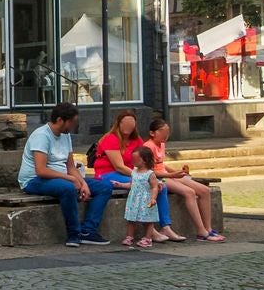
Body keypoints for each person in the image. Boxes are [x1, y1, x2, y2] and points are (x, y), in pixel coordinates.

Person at [19, 102, 112, 247]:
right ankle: (73, 234)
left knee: (105, 186)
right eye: (72, 122)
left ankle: (87, 231)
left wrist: (83, 183)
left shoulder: (65, 135)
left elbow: (70, 166)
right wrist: (71, 179)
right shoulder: (41, 136)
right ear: (60, 120)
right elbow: (41, 170)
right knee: (68, 188)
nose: (73, 126)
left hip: (62, 177)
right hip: (34, 180)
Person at [92, 109, 176, 240]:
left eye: (131, 125)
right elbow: (119, 166)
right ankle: (151, 230)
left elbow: (145, 161)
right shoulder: (110, 139)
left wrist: (151, 177)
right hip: (108, 174)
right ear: (118, 124)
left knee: (161, 186)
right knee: (143, 187)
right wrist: (143, 177)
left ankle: (165, 226)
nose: (128, 128)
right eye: (125, 124)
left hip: (132, 173)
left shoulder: (136, 140)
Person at [147, 119, 224, 241]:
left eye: (168, 132)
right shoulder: (148, 146)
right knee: (189, 192)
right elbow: (150, 171)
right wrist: (173, 175)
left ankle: (208, 228)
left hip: (167, 174)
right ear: (152, 133)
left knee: (204, 190)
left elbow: (161, 164)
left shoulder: (161, 144)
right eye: (162, 131)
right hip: (159, 178)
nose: (165, 135)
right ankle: (201, 231)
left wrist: (177, 172)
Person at [119, 146, 162, 249]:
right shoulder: (134, 172)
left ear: (144, 160)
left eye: (136, 159)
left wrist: (153, 198)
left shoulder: (150, 174)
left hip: (145, 199)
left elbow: (154, 187)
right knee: (131, 219)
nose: (133, 161)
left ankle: (147, 238)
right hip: (134, 200)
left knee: (148, 220)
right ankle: (129, 236)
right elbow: (132, 185)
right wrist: (120, 184)